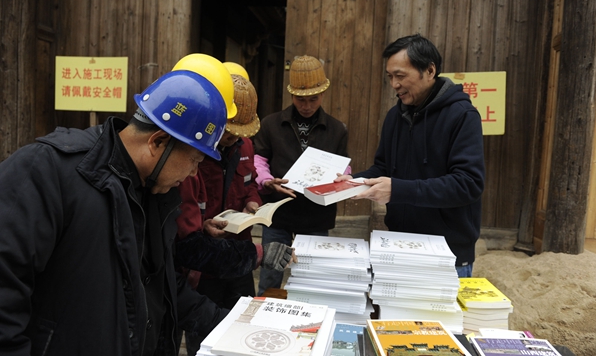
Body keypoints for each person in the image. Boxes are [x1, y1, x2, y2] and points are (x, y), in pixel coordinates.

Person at [0, 68, 292, 356]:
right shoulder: (47, 171)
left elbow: (163, 286)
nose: (193, 174)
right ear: (158, 142)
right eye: (194, 160)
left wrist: (237, 327)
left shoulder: (154, 191)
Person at [337, 34, 485, 277]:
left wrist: (397, 190)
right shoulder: (395, 116)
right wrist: (356, 182)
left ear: (429, 70)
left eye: (400, 75)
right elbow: (383, 168)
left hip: (446, 253)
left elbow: (468, 184)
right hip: (397, 246)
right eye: (390, 77)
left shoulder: (462, 115)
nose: (394, 84)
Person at [178, 72, 263, 355]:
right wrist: (203, 226)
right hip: (202, 266)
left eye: (240, 133)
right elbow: (184, 218)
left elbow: (249, 183)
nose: (231, 139)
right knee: (205, 339)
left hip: (239, 255)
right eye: (228, 131)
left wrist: (252, 201)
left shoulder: (245, 146)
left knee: (243, 332)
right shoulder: (193, 151)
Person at [253, 55, 349, 295]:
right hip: (278, 211)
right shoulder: (271, 124)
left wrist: (342, 178)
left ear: (323, 94)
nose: (306, 106)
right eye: (300, 99)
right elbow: (259, 159)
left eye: (313, 99)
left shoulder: (337, 129)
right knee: (271, 273)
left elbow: (343, 166)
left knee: (312, 275)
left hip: (316, 214)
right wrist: (266, 180)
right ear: (291, 95)